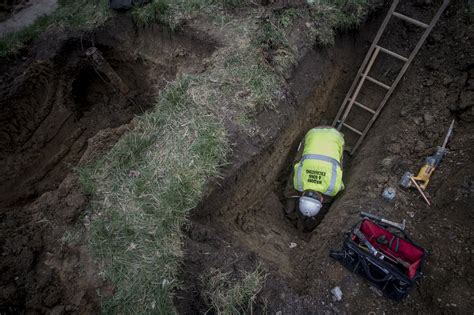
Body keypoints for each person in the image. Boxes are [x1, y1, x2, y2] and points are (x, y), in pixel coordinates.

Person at [283, 127, 345, 231]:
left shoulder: (333, 188)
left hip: (326, 135)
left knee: (338, 166)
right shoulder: (299, 182)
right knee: (297, 165)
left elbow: (340, 186)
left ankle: (289, 207)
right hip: (319, 134)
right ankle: (289, 206)